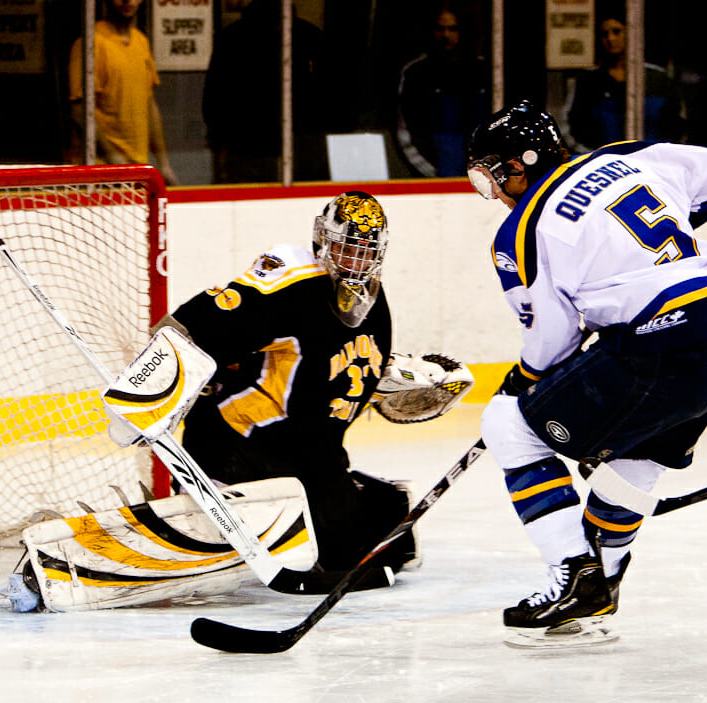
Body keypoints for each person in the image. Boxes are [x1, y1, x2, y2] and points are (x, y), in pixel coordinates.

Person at [465, 100, 707, 646]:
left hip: (656, 349)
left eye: (490, 178)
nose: (494, 194)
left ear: (519, 165)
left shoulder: (524, 229)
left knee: (508, 425)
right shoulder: (631, 156)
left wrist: (520, 382)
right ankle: (602, 581)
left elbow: (552, 341)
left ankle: (574, 573)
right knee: (639, 454)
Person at [165, 191, 472, 581]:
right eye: (347, 249)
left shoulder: (374, 304)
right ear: (323, 239)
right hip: (239, 443)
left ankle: (355, 498)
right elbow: (195, 327)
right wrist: (153, 386)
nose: (356, 263)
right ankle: (207, 491)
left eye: (366, 252)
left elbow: (331, 369)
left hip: (311, 453)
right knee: (348, 553)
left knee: (372, 548)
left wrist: (395, 379)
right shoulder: (289, 284)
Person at [201, 0, 336, 183]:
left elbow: (213, 99)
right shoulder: (308, 35)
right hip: (252, 149)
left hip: (287, 147)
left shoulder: (308, 37)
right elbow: (214, 99)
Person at [67, 0, 179, 184]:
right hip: (99, 172)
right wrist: (112, 156)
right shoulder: (89, 43)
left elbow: (149, 104)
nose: (127, 1)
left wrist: (163, 162)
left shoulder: (141, 42)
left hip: (138, 170)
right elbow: (79, 111)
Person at [566, 4, 686, 152]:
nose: (610, 38)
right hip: (605, 165)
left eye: (616, 32)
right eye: (605, 34)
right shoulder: (588, 80)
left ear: (630, 33)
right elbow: (571, 125)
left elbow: (678, 124)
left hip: (653, 163)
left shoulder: (658, 79)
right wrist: (591, 157)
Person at [396, 2, 490, 177]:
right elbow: (406, 133)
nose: (446, 35)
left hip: (483, 176)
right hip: (434, 177)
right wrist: (432, 173)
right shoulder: (415, 74)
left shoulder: (483, 70)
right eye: (440, 29)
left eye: (452, 29)